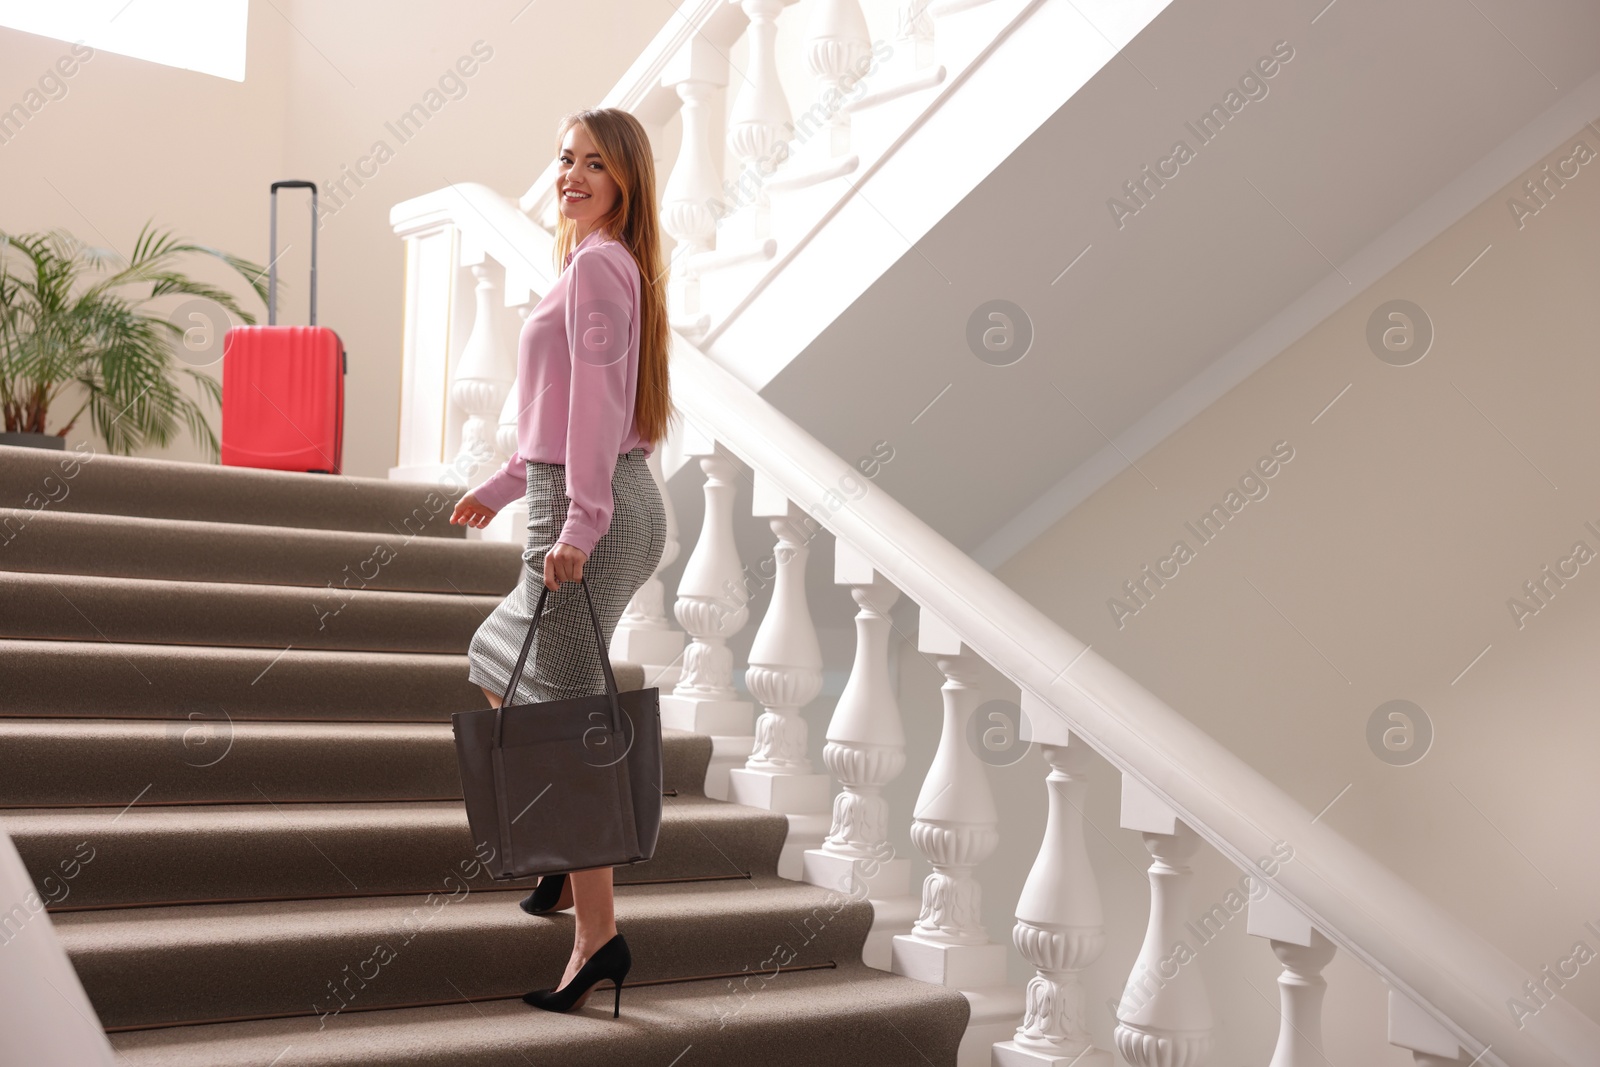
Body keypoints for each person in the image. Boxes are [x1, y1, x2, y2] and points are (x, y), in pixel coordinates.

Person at [449, 106, 673, 1018]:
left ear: (625, 179)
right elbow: (558, 404)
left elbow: (597, 405)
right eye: (564, 160)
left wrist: (577, 522)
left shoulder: (600, 267)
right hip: (570, 498)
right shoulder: (594, 265)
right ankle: (558, 859)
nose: (571, 175)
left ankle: (597, 935)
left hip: (595, 507)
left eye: (593, 163)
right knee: (497, 656)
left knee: (574, 716)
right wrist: (504, 487)